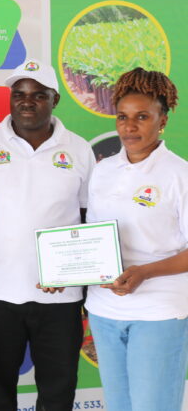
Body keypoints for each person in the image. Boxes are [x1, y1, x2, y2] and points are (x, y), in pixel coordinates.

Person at [0, 58, 95, 411]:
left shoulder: (79, 149)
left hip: (61, 296)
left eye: (38, 95)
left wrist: (82, 277)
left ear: (55, 99)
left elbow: (88, 218)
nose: (27, 102)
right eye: (19, 94)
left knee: (58, 390)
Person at [85, 67, 188, 411]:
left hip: (158, 311)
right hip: (104, 310)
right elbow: (93, 237)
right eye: (122, 117)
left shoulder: (179, 175)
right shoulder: (103, 170)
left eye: (142, 117)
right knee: (119, 406)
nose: (129, 126)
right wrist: (62, 273)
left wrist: (145, 272)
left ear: (163, 120)